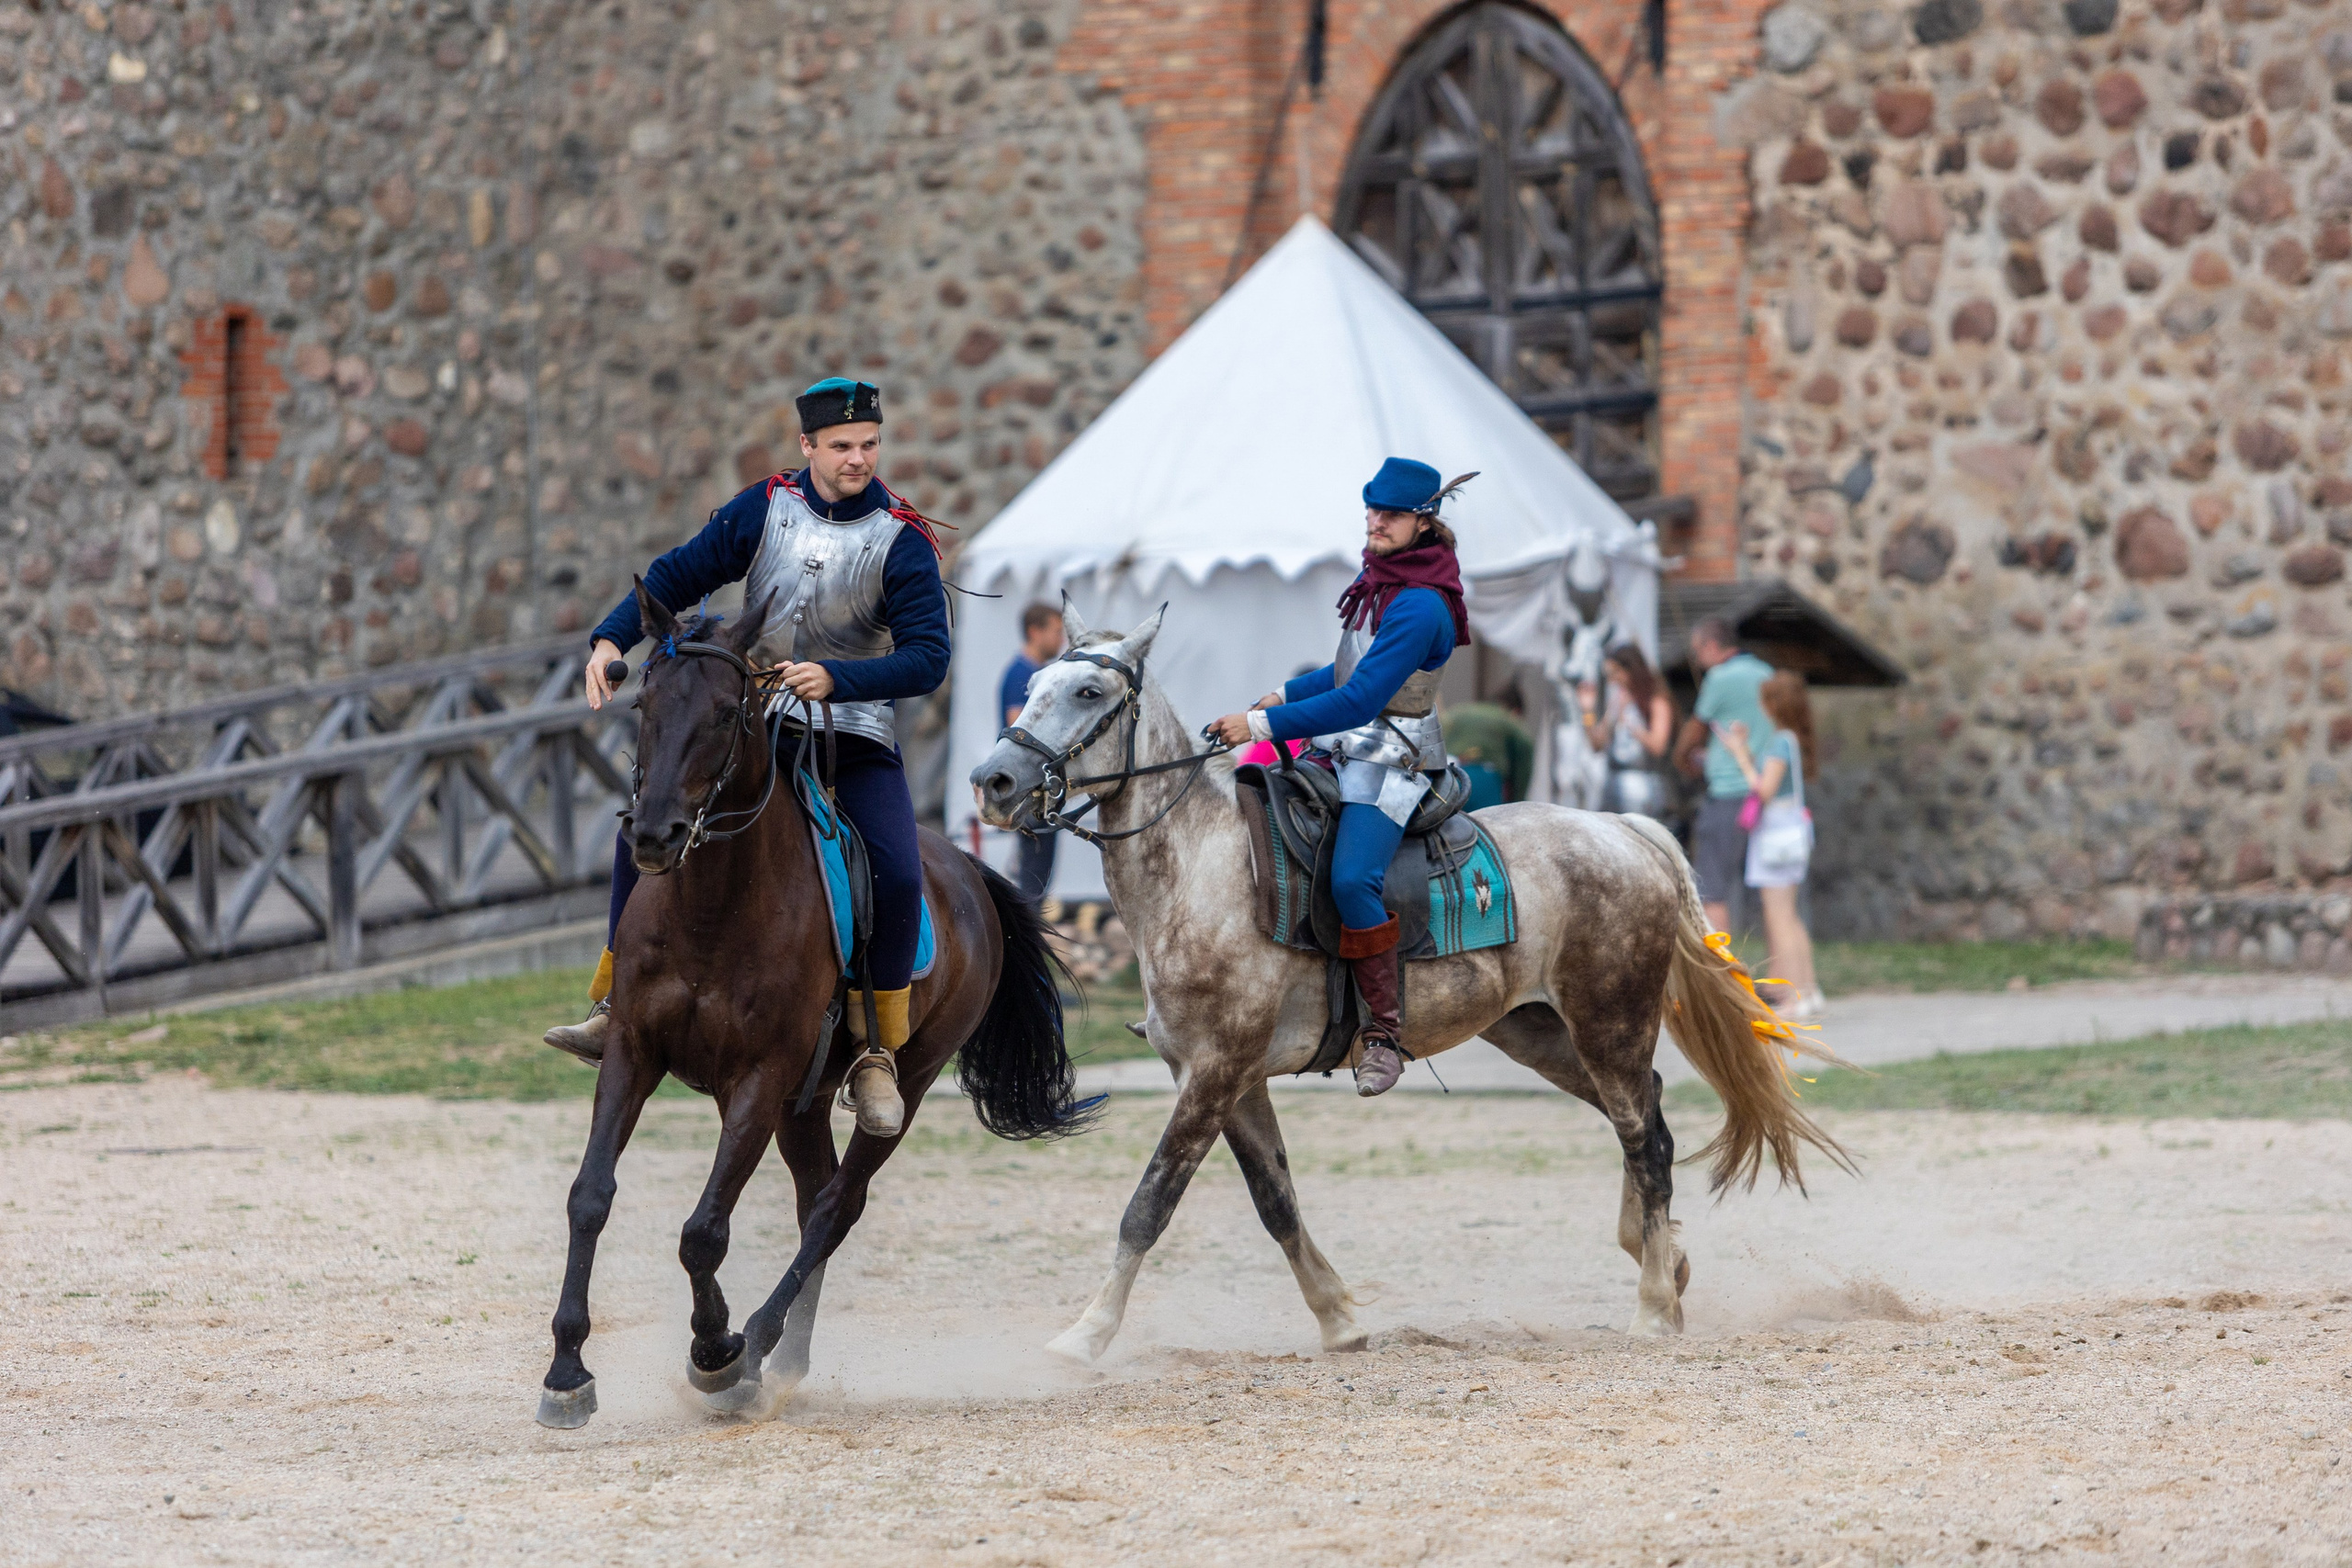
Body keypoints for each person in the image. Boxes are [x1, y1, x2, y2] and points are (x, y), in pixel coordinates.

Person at [544, 377, 949, 1139]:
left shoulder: (902, 539)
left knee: (897, 872)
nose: (858, 458)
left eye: (869, 444)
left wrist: (840, 678)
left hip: (852, 738)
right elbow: (676, 574)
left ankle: (875, 1049)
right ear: (807, 446)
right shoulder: (764, 507)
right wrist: (608, 638)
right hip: (749, 728)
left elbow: (930, 657)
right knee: (648, 822)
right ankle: (615, 1000)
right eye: (841, 445)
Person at [1209, 457, 1472, 1098]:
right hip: (1343, 746)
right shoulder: (1379, 579)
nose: (1376, 521)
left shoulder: (1421, 605)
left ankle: (1383, 1032)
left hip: (1393, 760)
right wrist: (1280, 694)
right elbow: (1347, 667)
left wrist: (1260, 725)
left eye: (1391, 514)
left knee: (1353, 878)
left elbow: (1359, 699)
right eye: (1372, 509)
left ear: (1423, 521)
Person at [1720, 671, 1823, 1019]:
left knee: (1780, 917)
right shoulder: (1791, 740)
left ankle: (1795, 997)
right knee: (1790, 916)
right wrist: (1746, 750)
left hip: (1776, 835)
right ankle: (1808, 990)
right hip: (1791, 831)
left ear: (1774, 704)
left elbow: (1763, 790)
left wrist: (1740, 756)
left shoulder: (1780, 741)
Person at [1670, 617, 1778, 936]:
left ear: (1712, 646)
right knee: (1770, 892)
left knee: (1712, 887)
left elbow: (1695, 729)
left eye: (1697, 651)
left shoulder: (1719, 677)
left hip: (1729, 793)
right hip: (1765, 790)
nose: (1697, 660)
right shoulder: (1766, 673)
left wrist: (1680, 759)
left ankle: (1721, 962)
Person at [1001, 602, 1066, 905]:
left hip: (1041, 788)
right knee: (1034, 877)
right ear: (1034, 632)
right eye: (1056, 631)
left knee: (1039, 873)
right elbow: (1018, 727)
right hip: (1030, 788)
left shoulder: (1037, 673)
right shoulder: (1021, 675)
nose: (1061, 639)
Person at [1581, 642, 1674, 820]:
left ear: (1630, 671)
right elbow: (1597, 744)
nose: (1612, 680)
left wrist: (1631, 724)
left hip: (1644, 788)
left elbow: (1658, 746)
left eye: (1615, 673)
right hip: (1613, 787)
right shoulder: (1616, 701)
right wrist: (1587, 712)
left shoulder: (1656, 701)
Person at [1446, 685, 1533, 811]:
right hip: (1483, 781)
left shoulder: (1456, 712)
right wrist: (1517, 803)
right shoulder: (1507, 718)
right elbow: (1525, 749)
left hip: (1447, 778)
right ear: (1516, 711)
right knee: (1487, 822)